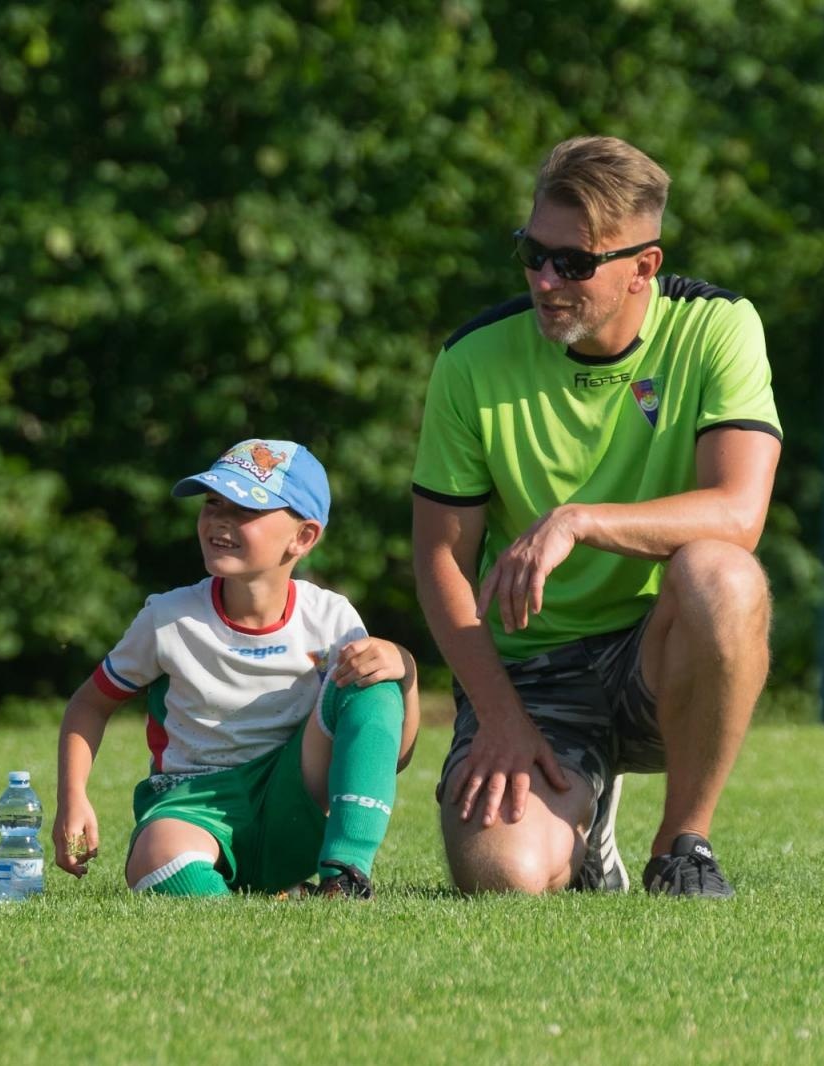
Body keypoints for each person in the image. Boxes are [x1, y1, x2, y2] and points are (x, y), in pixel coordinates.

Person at [412, 136, 781, 898]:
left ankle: (683, 845)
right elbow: (441, 561)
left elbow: (739, 513)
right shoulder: (471, 360)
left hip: (655, 658)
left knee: (723, 574)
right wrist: (503, 719)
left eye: (574, 264)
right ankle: (585, 830)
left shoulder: (718, 328)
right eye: (532, 253)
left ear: (644, 265)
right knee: (502, 878)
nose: (546, 280)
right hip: (529, 671)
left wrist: (578, 520)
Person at [53, 439, 420, 899]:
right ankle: (255, 897)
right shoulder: (167, 618)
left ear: (303, 537)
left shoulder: (333, 619)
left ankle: (344, 878)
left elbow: (394, 758)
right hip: (191, 804)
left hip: (294, 805)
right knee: (157, 858)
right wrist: (73, 797)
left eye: (246, 508)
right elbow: (90, 703)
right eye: (212, 503)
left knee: (375, 675)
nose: (220, 520)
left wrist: (406, 676)